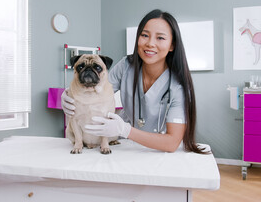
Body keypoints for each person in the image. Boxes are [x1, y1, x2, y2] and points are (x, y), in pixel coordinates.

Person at [62, 9, 206, 153]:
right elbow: (100, 88)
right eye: (144, 35)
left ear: (172, 45)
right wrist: (69, 95)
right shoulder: (126, 66)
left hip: (160, 151)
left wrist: (124, 129)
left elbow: (171, 143)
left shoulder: (178, 86)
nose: (150, 43)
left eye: (160, 38)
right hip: (125, 146)